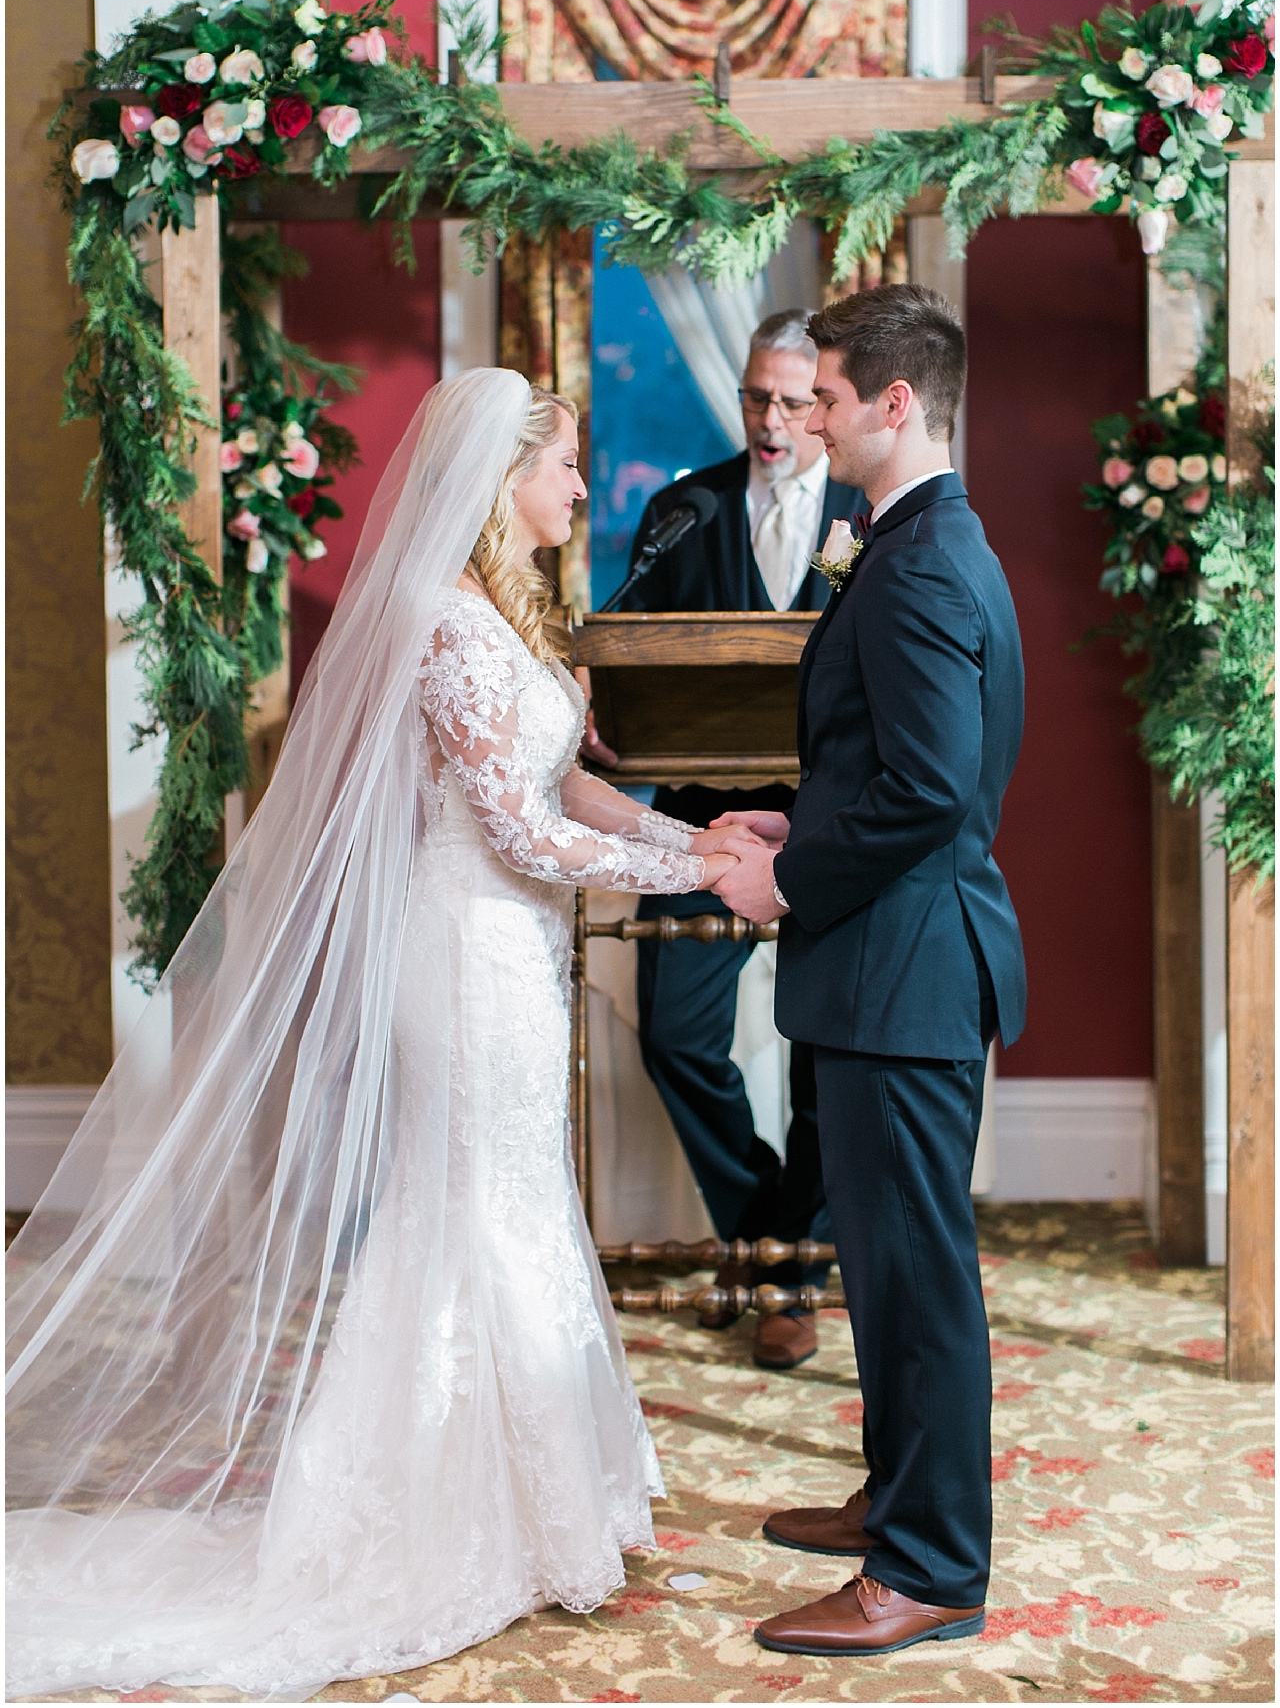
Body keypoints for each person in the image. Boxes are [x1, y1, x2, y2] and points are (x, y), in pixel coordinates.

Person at [5, 371, 747, 1700]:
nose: (581, 489)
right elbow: (518, 835)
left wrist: (698, 834)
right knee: (465, 1209)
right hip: (459, 955)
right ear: (500, 478)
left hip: (508, 951)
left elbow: (563, 781)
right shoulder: (443, 625)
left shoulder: (500, 617)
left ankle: (520, 1507)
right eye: (564, 467)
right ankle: (428, 1514)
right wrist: (709, 881)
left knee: (510, 1202)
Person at [712, 285, 1026, 1656]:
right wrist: (800, 818)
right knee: (890, 1272)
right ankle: (899, 1499)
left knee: (917, 1277)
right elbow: (888, 778)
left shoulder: (919, 560)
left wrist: (786, 873)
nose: (810, 419)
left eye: (828, 396)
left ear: (898, 402)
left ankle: (933, 1565)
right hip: (893, 959)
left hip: (905, 969)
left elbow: (927, 793)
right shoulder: (918, 543)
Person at [612, 310, 869, 1372]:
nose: (769, 420)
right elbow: (626, 654)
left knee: (825, 1057)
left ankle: (787, 1275)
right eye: (754, 397)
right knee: (673, 1033)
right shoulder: (683, 510)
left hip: (828, 824)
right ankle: (767, 1244)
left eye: (792, 400)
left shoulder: (868, 513)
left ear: (825, 406)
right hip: (702, 817)